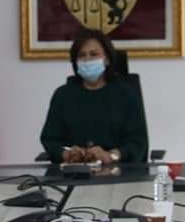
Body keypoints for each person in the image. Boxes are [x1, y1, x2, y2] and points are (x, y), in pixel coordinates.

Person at [40, 28, 148, 164]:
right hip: (73, 170)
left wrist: (110, 156)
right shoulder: (62, 95)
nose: (87, 60)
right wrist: (66, 154)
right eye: (81, 55)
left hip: (118, 171)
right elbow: (50, 140)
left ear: (107, 59)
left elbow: (138, 142)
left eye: (94, 54)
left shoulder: (126, 94)